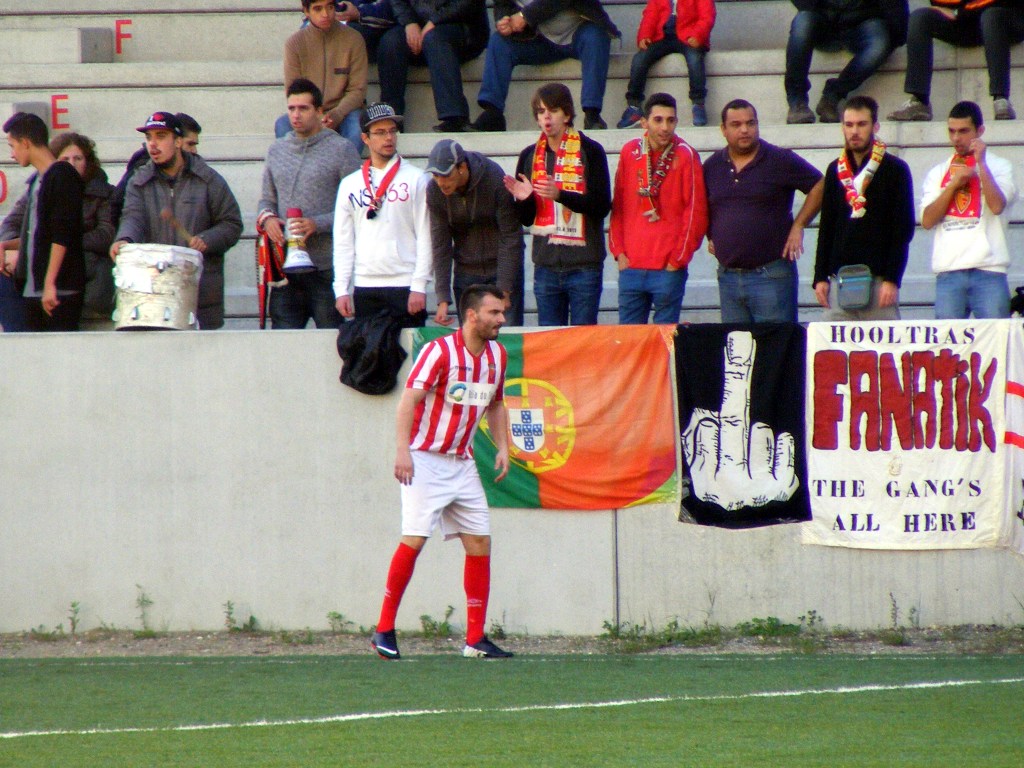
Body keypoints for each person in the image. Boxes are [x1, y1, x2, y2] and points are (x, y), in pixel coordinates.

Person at [370, 283, 513, 661]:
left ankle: (475, 639)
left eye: (502, 312)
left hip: (462, 462)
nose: (502, 319)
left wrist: (503, 446)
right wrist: (403, 451)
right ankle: (383, 629)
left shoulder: (498, 355)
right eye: (494, 312)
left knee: (480, 543)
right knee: (415, 539)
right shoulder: (439, 351)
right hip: (425, 459)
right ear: (472, 315)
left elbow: (496, 404)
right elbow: (408, 400)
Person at [111, 111, 243, 330]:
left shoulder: (208, 179)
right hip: (154, 298)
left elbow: (232, 223)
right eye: (149, 137)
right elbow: (132, 217)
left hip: (200, 298)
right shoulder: (139, 181)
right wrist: (125, 239)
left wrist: (207, 239)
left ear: (179, 141)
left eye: (161, 136)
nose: (153, 144)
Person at [703, 99, 824, 323]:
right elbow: (703, 204)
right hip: (728, 278)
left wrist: (799, 225)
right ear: (723, 129)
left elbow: (821, 185)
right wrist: (711, 234)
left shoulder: (779, 159)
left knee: (776, 343)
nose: (744, 130)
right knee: (737, 345)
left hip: (771, 276)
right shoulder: (712, 166)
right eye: (736, 124)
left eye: (750, 123)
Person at [257, 78, 361, 329]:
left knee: (332, 342)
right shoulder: (277, 150)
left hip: (326, 267)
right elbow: (266, 199)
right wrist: (268, 219)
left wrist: (317, 223)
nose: (296, 115)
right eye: (291, 108)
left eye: (303, 108)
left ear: (320, 111)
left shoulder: (342, 149)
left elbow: (357, 207)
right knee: (283, 343)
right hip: (285, 271)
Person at [504, 83, 611, 325]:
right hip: (546, 267)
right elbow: (526, 220)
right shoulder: (530, 156)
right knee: (551, 341)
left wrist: (560, 195)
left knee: (583, 341)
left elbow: (601, 206)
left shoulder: (591, 151)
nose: (546, 117)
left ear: (567, 114)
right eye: (541, 111)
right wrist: (525, 199)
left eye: (553, 110)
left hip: (584, 266)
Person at [813, 95, 915, 320]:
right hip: (839, 279)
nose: (854, 131)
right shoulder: (835, 170)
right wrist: (820, 276)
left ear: (875, 126)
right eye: (849, 125)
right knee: (835, 343)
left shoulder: (895, 169)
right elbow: (827, 226)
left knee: (883, 343)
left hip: (878, 280)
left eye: (861, 124)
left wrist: (892, 278)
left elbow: (903, 229)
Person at [609, 93, 707, 324]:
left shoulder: (685, 154)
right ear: (644, 122)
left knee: (664, 340)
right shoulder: (629, 151)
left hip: (667, 268)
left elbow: (696, 211)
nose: (665, 127)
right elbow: (619, 204)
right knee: (630, 341)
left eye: (671, 120)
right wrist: (619, 252)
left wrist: (677, 260)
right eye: (658, 120)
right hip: (631, 266)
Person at [332, 103, 432, 327]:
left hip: (406, 283)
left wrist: (419, 284)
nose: (388, 138)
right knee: (369, 349)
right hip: (365, 284)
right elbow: (343, 241)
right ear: (365, 138)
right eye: (379, 132)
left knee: (408, 349)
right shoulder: (350, 184)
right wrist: (341, 289)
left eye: (392, 131)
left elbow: (426, 234)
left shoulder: (417, 178)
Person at [920, 101, 1017, 319]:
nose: (956, 138)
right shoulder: (938, 172)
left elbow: (997, 206)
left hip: (990, 270)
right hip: (949, 271)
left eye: (963, 131)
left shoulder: (1000, 166)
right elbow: (927, 221)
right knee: (948, 340)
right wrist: (953, 185)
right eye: (951, 131)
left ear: (980, 131)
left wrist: (981, 165)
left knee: (995, 337)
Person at [471, 0, 621, 132]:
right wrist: (504, 20)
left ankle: (592, 115)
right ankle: (493, 114)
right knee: (499, 42)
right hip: (539, 39)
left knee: (596, 37)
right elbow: (502, 4)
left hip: (580, 31)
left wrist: (525, 16)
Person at [424, 139, 525, 326]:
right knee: (471, 338)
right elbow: (440, 243)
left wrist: (505, 289)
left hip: (501, 269)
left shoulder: (493, 177)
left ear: (461, 167)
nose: (440, 182)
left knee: (507, 337)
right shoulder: (434, 191)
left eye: (445, 175)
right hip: (466, 273)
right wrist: (442, 298)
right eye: (436, 176)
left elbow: (511, 235)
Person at [0, 112, 85, 332]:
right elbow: (38, 235)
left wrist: (50, 283)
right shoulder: (38, 180)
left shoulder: (62, 175)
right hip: (34, 288)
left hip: (58, 290)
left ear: (25, 143)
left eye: (13, 146)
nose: (12, 154)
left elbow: (61, 234)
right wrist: (6, 245)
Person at [360, 0, 490, 132]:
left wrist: (434, 21)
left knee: (435, 38)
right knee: (391, 42)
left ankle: (455, 118)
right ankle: (391, 119)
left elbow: (466, 3)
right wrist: (409, 22)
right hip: (418, 26)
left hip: (462, 28)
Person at [888, 1, 1024, 122]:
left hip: (1006, 17)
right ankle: (919, 102)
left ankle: (1001, 99)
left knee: (991, 16)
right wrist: (956, 12)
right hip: (966, 22)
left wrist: (958, 12)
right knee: (920, 18)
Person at [784, 0, 909, 124]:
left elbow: (896, 7)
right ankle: (797, 101)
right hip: (821, 18)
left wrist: (897, 34)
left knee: (879, 45)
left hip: (864, 21)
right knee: (803, 22)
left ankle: (833, 95)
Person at [278, 0, 368, 153]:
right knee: (282, 125)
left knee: (356, 127)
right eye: (318, 9)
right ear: (306, 11)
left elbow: (358, 90)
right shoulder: (295, 43)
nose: (325, 14)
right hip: (310, 109)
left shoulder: (353, 38)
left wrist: (338, 113)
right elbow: (294, 92)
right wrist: (315, 115)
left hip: (345, 111)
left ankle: (344, 168)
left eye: (330, 7)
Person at [50, 132, 117, 327]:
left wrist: (64, 243)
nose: (71, 164)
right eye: (65, 159)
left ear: (87, 162)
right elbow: (14, 223)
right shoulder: (44, 189)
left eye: (78, 158)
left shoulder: (103, 193)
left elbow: (106, 234)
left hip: (92, 273)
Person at [617, 0, 716, 129]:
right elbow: (650, 15)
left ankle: (698, 103)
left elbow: (707, 16)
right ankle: (634, 105)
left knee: (695, 59)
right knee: (640, 59)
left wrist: (698, 35)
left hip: (689, 34)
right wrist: (644, 35)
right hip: (662, 36)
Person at [111, 112, 202, 227]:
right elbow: (117, 207)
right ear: (177, 141)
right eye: (190, 144)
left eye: (160, 136)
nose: (194, 150)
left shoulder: (203, 174)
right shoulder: (141, 172)